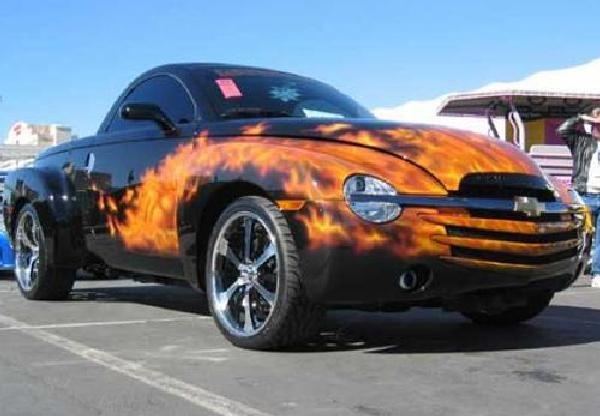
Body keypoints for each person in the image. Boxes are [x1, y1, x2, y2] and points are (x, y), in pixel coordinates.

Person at [557, 107, 600, 288]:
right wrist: (580, 117)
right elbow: (562, 130)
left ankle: (597, 273)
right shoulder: (581, 141)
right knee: (579, 237)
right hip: (583, 195)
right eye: (596, 124)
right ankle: (569, 270)